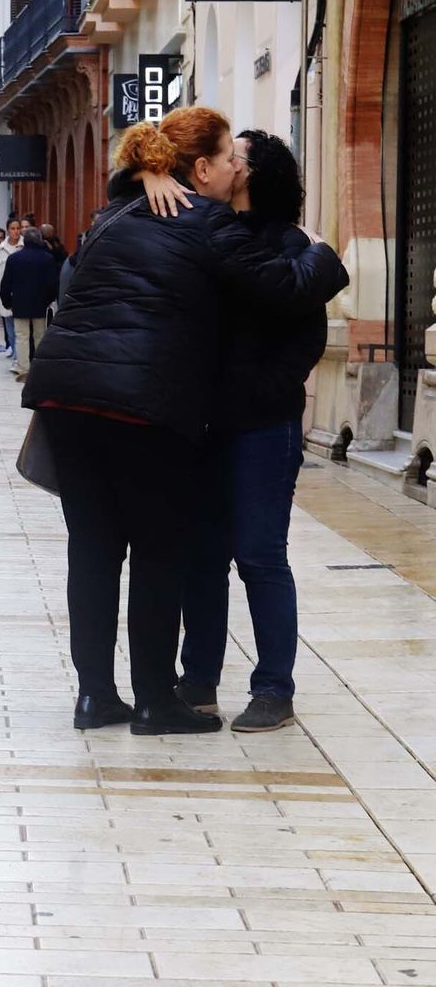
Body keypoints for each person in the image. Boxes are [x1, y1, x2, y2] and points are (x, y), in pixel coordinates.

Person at [21, 108, 346, 736]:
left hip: (65, 395)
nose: (232, 169)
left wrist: (139, 175)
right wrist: (327, 255)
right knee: (158, 552)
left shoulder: (114, 211)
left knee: (93, 553)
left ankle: (95, 698)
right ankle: (155, 702)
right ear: (200, 168)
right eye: (226, 158)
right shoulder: (206, 219)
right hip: (139, 402)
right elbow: (288, 286)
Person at [176, 130, 333, 733]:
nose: (223, 160)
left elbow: (307, 338)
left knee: (260, 555)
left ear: (253, 172)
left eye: (233, 154)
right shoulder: (203, 229)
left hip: (264, 426)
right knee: (203, 558)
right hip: (203, 422)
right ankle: (198, 682)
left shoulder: (290, 245)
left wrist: (261, 390)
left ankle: (273, 688)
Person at [2, 227, 61, 382]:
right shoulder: (47, 259)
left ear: (25, 241)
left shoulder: (14, 258)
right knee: (39, 335)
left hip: (19, 303)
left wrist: (7, 302)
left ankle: (23, 369)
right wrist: (48, 300)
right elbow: (53, 284)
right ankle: (38, 369)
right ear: (40, 240)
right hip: (40, 304)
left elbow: (6, 283)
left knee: (21, 336)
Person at [0, 218, 22, 357]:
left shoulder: (24, 246)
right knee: (9, 327)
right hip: (5, 293)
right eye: (12, 228)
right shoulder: (1, 248)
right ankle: (15, 354)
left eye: (18, 228)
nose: (16, 231)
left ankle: (20, 356)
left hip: (21, 292)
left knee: (21, 328)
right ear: (8, 230)